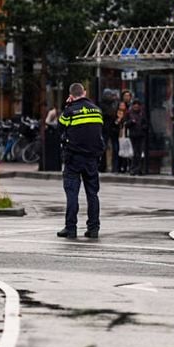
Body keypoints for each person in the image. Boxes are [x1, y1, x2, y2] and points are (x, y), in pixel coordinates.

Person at [57, 82, 104, 239]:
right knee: (92, 194)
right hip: (92, 158)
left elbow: (60, 127)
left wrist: (67, 107)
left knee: (72, 194)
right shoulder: (97, 110)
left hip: (74, 158)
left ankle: (70, 228)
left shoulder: (69, 111)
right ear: (84, 92)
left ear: (71, 95)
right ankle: (94, 228)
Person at [127, 100, 150, 176]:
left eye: (137, 105)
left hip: (141, 135)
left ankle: (139, 168)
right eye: (135, 105)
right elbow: (126, 124)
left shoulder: (142, 114)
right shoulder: (129, 113)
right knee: (135, 152)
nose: (136, 106)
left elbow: (146, 124)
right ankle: (133, 168)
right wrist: (131, 122)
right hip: (133, 135)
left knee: (139, 152)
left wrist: (142, 127)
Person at [113, 101, 130, 174]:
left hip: (125, 134)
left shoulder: (127, 114)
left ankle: (125, 167)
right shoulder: (115, 114)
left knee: (125, 151)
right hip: (117, 134)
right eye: (120, 105)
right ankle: (117, 167)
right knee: (117, 151)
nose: (122, 106)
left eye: (123, 105)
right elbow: (114, 124)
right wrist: (119, 119)